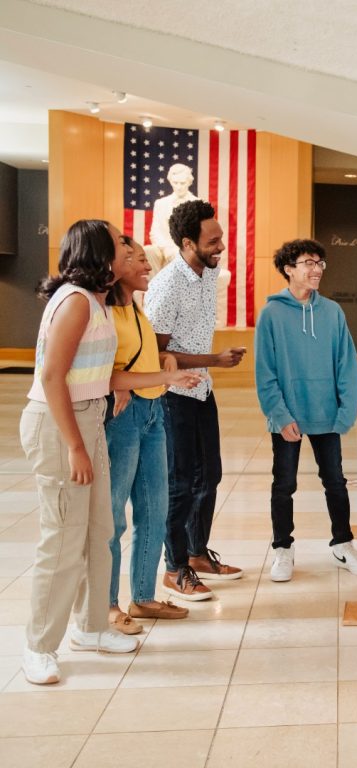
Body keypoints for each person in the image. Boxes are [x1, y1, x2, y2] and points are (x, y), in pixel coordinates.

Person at [20, 220, 137, 684]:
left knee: (98, 532)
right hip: (58, 425)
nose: (127, 247)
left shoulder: (98, 301)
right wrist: (74, 446)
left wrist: (167, 377)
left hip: (89, 418)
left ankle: (90, 628)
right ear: (99, 253)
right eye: (119, 242)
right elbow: (52, 377)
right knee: (63, 541)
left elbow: (99, 376)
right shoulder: (74, 301)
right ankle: (38, 647)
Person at [144, 200, 246, 601]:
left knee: (210, 474)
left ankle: (197, 553)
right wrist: (215, 360)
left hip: (201, 389)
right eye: (213, 240)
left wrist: (209, 367)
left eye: (221, 237)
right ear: (187, 243)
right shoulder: (167, 286)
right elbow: (156, 353)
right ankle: (174, 569)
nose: (221, 246)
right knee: (180, 482)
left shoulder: (209, 271)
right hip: (173, 394)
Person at [255, 238, 357, 582]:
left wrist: (345, 412)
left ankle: (343, 545)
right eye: (309, 263)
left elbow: (347, 364)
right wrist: (280, 416)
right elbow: (265, 372)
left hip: (326, 415)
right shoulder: (271, 314)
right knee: (284, 484)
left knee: (335, 481)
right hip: (287, 417)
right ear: (289, 269)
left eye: (320, 263)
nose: (317, 269)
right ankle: (283, 549)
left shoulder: (333, 312)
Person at [105, 240, 202, 633]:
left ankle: (143, 597)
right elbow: (106, 374)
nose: (148, 266)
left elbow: (142, 358)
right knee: (113, 517)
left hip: (152, 414)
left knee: (154, 509)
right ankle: (108, 605)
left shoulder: (136, 308)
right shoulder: (103, 311)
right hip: (123, 419)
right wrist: (165, 375)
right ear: (116, 265)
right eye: (139, 260)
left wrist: (166, 361)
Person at [149, 164, 198, 267]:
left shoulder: (198, 204)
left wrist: (184, 250)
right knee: (149, 251)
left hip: (190, 250)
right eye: (175, 183)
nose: (179, 187)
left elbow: (201, 234)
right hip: (166, 251)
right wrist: (167, 249)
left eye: (182, 183)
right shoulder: (161, 204)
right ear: (170, 182)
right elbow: (155, 233)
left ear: (189, 182)